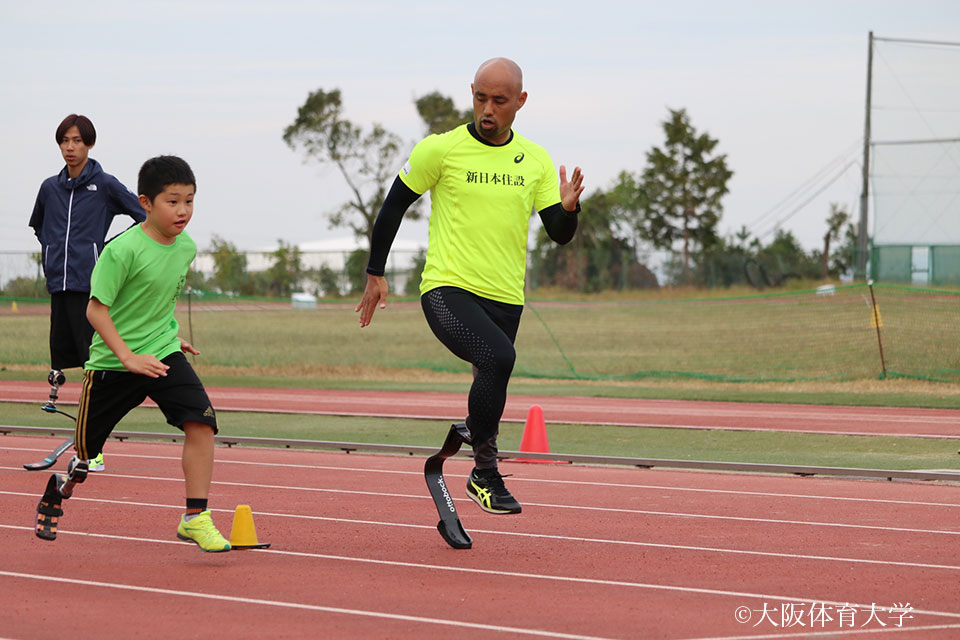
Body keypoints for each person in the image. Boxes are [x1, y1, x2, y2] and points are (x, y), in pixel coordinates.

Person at [356, 57, 584, 514]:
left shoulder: (535, 159)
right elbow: (393, 205)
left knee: (491, 375)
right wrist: (375, 272)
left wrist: (569, 208)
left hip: (505, 296)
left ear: (520, 102)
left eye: (500, 101)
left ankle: (482, 473)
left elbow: (557, 232)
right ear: (472, 93)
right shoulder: (441, 150)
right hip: (447, 288)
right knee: (498, 357)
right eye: (481, 98)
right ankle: (482, 466)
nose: (488, 109)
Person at [34, 155, 231, 552]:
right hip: (112, 364)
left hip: (161, 354)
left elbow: (158, 300)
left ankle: (195, 517)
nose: (183, 211)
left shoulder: (186, 247)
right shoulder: (121, 251)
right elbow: (96, 310)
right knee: (86, 458)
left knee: (202, 423)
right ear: (145, 202)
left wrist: (173, 337)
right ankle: (61, 485)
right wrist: (126, 357)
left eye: (190, 201)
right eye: (172, 201)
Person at [29, 114, 147, 473]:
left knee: (95, 368)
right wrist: (53, 252)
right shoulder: (50, 187)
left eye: (78, 140)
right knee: (72, 364)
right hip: (60, 287)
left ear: (89, 144)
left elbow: (143, 215)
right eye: (65, 140)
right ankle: (86, 443)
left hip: (90, 290)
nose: (70, 147)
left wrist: (107, 250)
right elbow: (39, 226)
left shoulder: (105, 184)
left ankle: (91, 450)